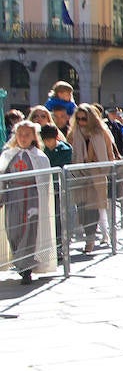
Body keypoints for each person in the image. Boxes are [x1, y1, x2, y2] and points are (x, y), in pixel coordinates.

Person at [1, 121, 56, 284]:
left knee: (29, 232)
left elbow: (44, 180)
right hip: (13, 198)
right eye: (20, 134)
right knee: (13, 230)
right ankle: (19, 262)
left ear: (33, 136)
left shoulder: (39, 157)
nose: (23, 138)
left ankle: (26, 269)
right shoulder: (8, 155)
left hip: (32, 198)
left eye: (27, 135)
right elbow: (2, 177)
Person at [67, 103, 119, 253]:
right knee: (83, 208)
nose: (81, 122)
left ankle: (91, 239)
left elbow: (109, 153)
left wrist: (106, 167)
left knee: (95, 208)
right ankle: (92, 236)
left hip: (97, 175)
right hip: (79, 176)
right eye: (78, 119)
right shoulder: (73, 134)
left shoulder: (101, 132)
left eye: (84, 118)